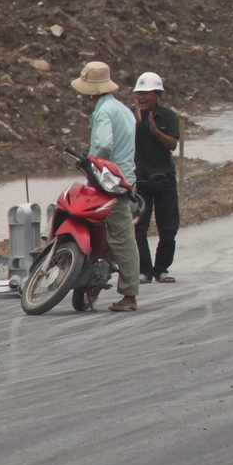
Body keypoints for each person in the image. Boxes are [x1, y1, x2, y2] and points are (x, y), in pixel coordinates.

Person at [73, 60, 141, 312]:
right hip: (125, 178)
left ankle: (130, 295)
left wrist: (90, 162)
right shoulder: (122, 109)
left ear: (92, 89)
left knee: (122, 238)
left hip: (109, 181)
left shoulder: (103, 112)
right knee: (121, 237)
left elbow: (103, 146)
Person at [130, 71, 181, 284]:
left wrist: (155, 130)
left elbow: (172, 144)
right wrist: (136, 123)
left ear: (157, 95)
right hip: (140, 180)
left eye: (146, 93)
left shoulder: (168, 116)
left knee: (168, 228)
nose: (142, 97)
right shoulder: (130, 116)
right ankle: (144, 271)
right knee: (138, 227)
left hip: (164, 179)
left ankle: (161, 269)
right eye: (139, 93)